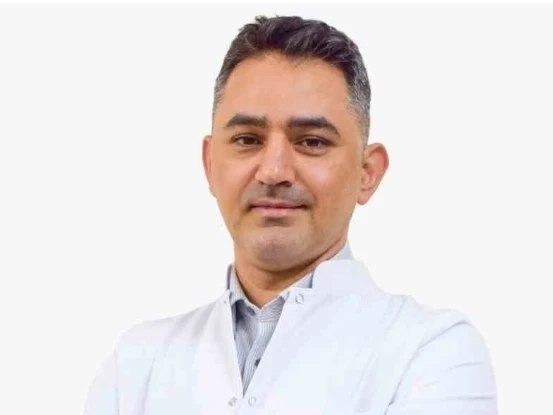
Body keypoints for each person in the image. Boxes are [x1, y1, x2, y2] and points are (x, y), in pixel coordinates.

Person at [85, 15, 496, 415]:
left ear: (367, 173)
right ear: (210, 165)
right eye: (248, 139)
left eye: (312, 142)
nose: (274, 171)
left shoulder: (434, 354)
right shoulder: (136, 365)